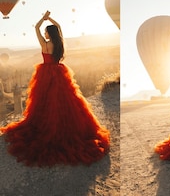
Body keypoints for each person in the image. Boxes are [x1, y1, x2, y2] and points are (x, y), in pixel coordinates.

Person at [0, 11, 110, 166]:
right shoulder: (59, 43)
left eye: (46, 31)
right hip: (59, 72)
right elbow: (58, 27)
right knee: (65, 100)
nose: (44, 32)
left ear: (48, 33)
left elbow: (36, 29)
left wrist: (42, 19)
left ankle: (46, 124)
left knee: (44, 100)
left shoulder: (45, 44)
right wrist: (50, 19)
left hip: (45, 73)